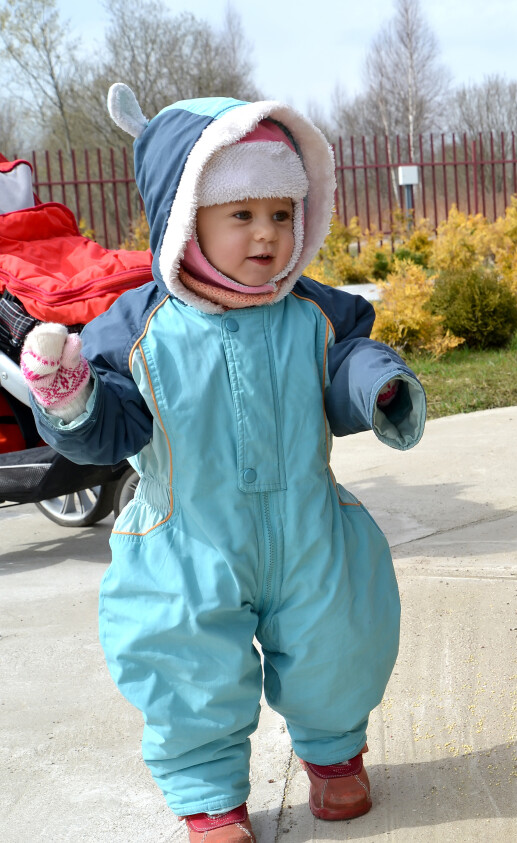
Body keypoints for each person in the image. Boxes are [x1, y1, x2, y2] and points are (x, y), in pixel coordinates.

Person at [20, 83, 425, 843]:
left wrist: (376, 384)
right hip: (187, 534)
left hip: (308, 523)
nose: (266, 234)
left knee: (340, 635)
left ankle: (335, 758)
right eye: (241, 214)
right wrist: (71, 398)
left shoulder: (314, 310)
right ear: (184, 219)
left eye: (281, 213)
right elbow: (109, 429)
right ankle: (211, 796)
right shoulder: (137, 330)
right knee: (184, 659)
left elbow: (345, 367)